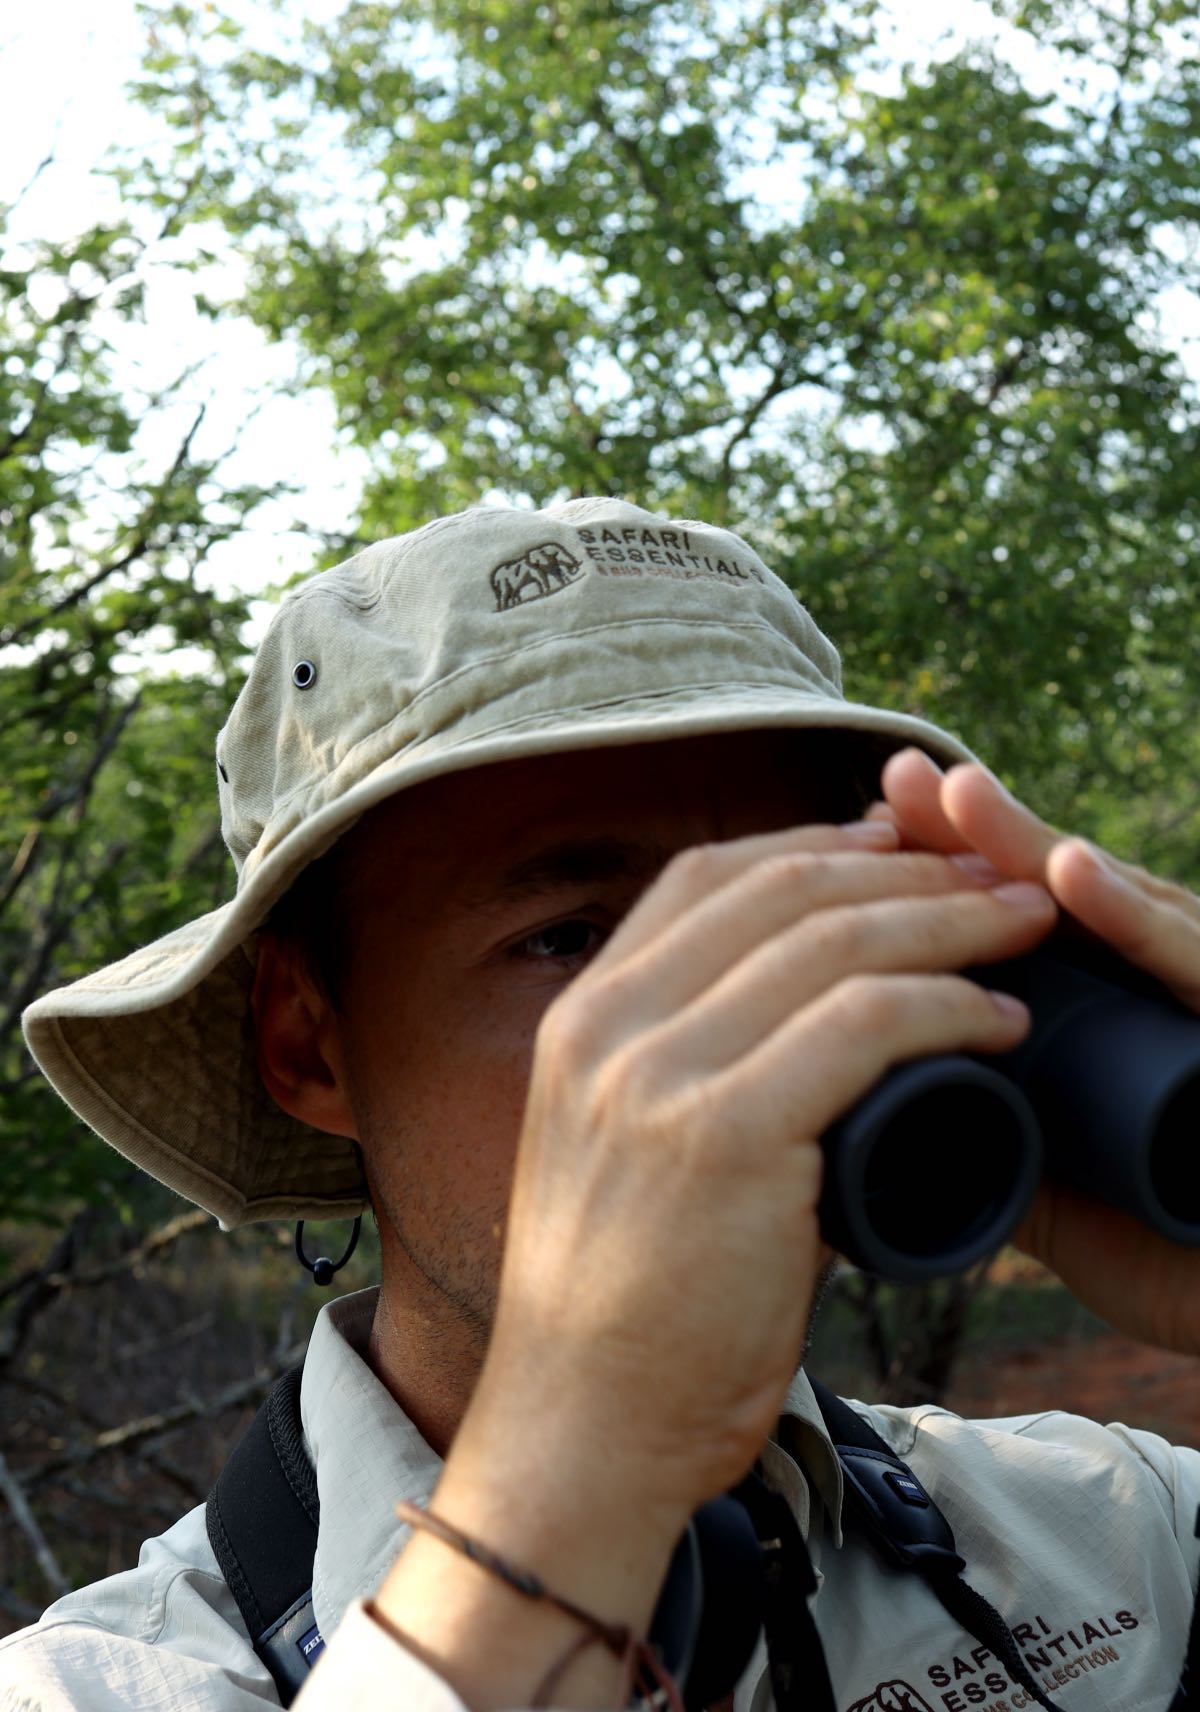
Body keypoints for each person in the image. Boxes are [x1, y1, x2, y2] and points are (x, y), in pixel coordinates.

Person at [5, 497, 1199, 1712]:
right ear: (308, 1044)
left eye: (806, 910)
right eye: (572, 937)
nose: (745, 1017)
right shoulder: (106, 1684)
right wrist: (572, 1489)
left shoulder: (1120, 1535)